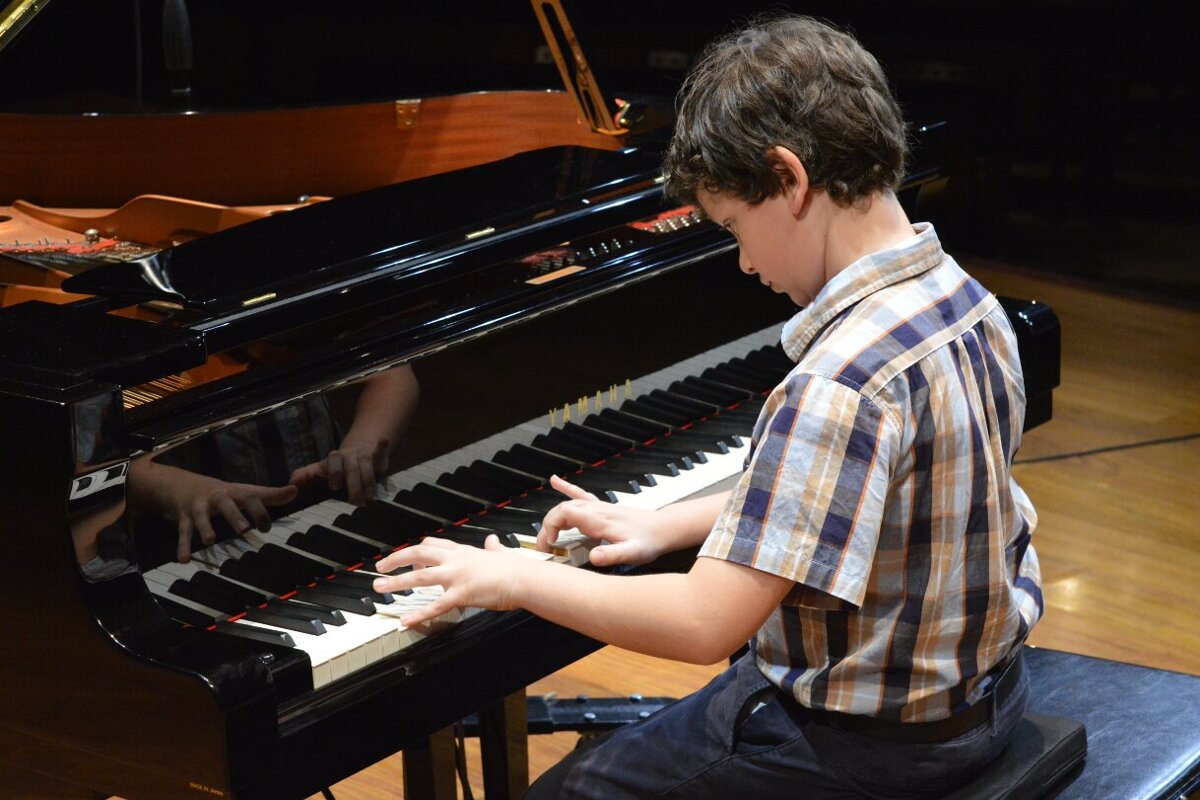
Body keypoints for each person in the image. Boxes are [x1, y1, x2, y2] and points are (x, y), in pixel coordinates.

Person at [370, 13, 1043, 799]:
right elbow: (859, 495)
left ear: (789, 179)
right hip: (983, 704)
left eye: (733, 226)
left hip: (862, 750)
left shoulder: (837, 382)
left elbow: (702, 623)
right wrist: (667, 523)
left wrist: (512, 578)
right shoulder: (967, 303)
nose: (744, 261)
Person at [130, 364, 418, 562]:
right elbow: (115, 458)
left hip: (333, 499)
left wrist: (362, 445)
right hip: (210, 537)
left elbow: (392, 373)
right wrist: (179, 489)